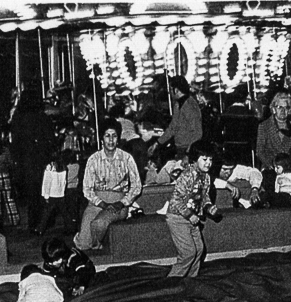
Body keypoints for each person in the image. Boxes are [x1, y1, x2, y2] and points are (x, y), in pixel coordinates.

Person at [74, 118, 142, 251]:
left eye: (114, 136)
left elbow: (136, 185)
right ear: (101, 139)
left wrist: (122, 202)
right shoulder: (93, 159)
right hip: (96, 203)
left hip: (118, 204)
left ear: (118, 139)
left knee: (99, 224)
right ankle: (89, 240)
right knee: (83, 244)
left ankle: (98, 243)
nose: (111, 140)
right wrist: (101, 203)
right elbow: (87, 189)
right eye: (107, 136)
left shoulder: (127, 158)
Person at [165, 143, 219, 278]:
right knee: (188, 252)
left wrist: (209, 207)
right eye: (205, 159)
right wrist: (189, 215)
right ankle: (173, 281)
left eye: (210, 160)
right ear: (195, 159)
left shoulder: (206, 177)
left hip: (193, 218)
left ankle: (191, 279)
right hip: (178, 218)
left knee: (199, 249)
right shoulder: (187, 176)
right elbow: (176, 200)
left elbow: (204, 196)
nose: (208, 163)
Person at [10, 87, 56, 232]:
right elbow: (50, 139)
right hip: (40, 157)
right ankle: (43, 221)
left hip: (25, 159)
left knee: (32, 194)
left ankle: (33, 222)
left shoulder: (18, 117)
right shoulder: (42, 117)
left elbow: (15, 141)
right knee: (44, 191)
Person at [150, 76, 203, 161]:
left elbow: (197, 133)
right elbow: (172, 127)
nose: (170, 93)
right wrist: (157, 143)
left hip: (187, 149)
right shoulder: (178, 105)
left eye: (171, 90)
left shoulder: (190, 105)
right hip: (180, 148)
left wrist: (188, 153)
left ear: (176, 90)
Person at [256, 92, 291, 195]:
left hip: (287, 169)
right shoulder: (264, 126)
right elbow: (259, 151)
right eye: (280, 107)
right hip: (269, 167)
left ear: (290, 110)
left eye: (286, 107)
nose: (283, 111)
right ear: (274, 109)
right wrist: (272, 166)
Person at [35, 152, 74, 236]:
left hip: (52, 194)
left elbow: (47, 182)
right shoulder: (63, 167)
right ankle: (70, 228)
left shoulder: (50, 167)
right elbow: (64, 182)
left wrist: (45, 195)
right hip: (60, 194)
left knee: (46, 212)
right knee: (64, 212)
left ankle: (40, 229)